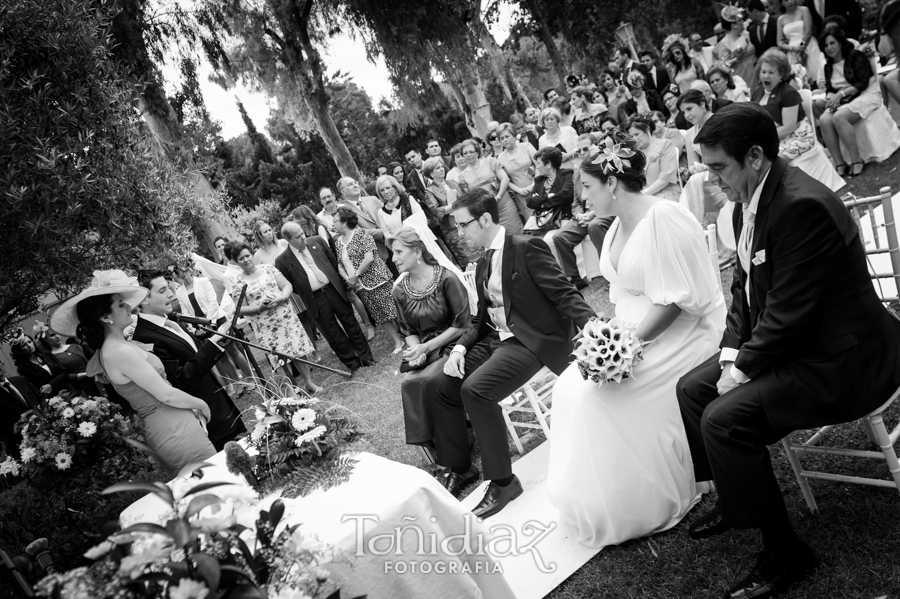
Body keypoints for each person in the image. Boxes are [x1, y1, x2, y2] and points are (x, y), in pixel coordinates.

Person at [676, 102, 900, 599]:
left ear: (755, 156)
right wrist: (733, 356)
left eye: (719, 168)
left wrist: (742, 372)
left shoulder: (801, 205)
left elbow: (790, 313)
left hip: (842, 359)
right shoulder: (748, 202)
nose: (714, 182)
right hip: (795, 345)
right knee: (691, 388)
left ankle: (785, 553)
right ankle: (735, 500)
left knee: (722, 418)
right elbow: (743, 292)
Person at [547, 138, 726, 548]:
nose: (581, 197)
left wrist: (629, 343)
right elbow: (624, 290)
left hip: (677, 335)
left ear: (611, 183)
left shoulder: (664, 217)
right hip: (629, 333)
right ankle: (598, 499)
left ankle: (644, 496)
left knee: (596, 398)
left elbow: (678, 301)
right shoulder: (612, 228)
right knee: (568, 386)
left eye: (586, 188)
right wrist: (609, 338)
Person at [423, 189, 596, 517]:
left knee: (475, 390)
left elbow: (564, 294)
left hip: (537, 340)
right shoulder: (481, 264)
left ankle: (503, 483)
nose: (459, 233)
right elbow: (479, 321)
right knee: (444, 383)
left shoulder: (526, 246)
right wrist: (459, 348)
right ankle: (458, 464)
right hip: (504, 341)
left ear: (485, 219)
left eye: (463, 225)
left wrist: (597, 332)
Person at [51, 271, 217, 477]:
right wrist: (200, 404)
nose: (128, 306)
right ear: (105, 317)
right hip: (174, 430)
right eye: (120, 305)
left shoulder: (117, 347)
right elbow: (166, 394)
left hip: (173, 425)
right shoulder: (119, 351)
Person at [134, 270, 247, 450]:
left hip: (221, 406)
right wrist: (212, 344)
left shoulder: (170, 320)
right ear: (144, 299)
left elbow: (192, 354)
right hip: (205, 418)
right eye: (162, 291)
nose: (171, 294)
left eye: (169, 288)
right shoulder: (145, 337)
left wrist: (217, 341)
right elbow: (181, 377)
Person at [390, 227, 472, 461]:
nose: (394, 259)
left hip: (454, 343)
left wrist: (428, 347)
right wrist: (417, 351)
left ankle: (457, 444)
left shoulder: (446, 278)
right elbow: (408, 330)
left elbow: (463, 324)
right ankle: (436, 449)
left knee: (427, 380)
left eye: (398, 252)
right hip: (426, 349)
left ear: (417, 251)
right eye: (393, 253)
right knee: (409, 383)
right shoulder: (399, 290)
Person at [276, 222, 374, 373]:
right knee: (332, 332)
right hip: (315, 298)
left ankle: (366, 357)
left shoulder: (317, 241)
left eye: (302, 233)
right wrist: (309, 289)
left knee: (351, 323)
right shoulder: (282, 261)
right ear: (288, 239)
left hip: (334, 290)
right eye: (298, 236)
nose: (303, 237)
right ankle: (353, 364)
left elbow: (333, 262)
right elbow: (291, 285)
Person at [226, 243, 322, 393]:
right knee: (279, 357)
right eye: (240, 258)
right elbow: (240, 309)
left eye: (247, 255)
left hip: (285, 316)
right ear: (236, 262)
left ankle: (309, 383)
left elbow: (286, 285)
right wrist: (259, 308)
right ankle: (292, 390)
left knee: (298, 349)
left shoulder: (268, 269)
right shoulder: (237, 283)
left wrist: (282, 297)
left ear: (251, 255)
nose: (245, 260)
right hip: (264, 325)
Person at [333, 207, 405, 353]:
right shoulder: (338, 242)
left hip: (378, 279)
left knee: (394, 309)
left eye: (335, 221)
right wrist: (348, 279)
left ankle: (411, 334)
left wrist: (356, 275)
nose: (333, 224)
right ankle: (398, 342)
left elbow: (369, 257)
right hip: (360, 286)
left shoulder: (362, 234)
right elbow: (340, 265)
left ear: (345, 222)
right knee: (379, 315)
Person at [171, 266, 252, 393]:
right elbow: (185, 312)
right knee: (220, 356)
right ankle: (239, 384)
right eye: (181, 271)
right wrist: (194, 328)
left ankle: (251, 379)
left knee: (232, 350)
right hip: (200, 326)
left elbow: (213, 302)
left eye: (186, 270)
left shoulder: (203, 281)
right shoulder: (180, 292)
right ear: (178, 274)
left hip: (217, 320)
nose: (185, 273)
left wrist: (209, 322)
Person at [815, 25, 879, 177]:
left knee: (839, 117)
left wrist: (840, 94)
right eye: (826, 45)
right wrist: (831, 98)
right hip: (843, 100)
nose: (829, 48)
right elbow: (830, 88)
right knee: (824, 119)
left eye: (832, 43)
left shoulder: (855, 56)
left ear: (840, 42)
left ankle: (857, 161)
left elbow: (862, 82)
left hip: (865, 93)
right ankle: (840, 163)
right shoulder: (828, 66)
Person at [753, 49, 817, 161]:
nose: (766, 76)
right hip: (772, 138)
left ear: (781, 74)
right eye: (763, 72)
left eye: (771, 72)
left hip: (797, 137)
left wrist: (762, 139)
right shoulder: (757, 92)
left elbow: (788, 127)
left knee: (770, 160)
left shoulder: (788, 92)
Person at [459, 138, 524, 235]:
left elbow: (505, 179)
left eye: (471, 151)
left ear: (477, 152)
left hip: (504, 206)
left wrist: (498, 197)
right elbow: (468, 198)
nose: (468, 155)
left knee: (517, 233)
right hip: (487, 213)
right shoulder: (462, 176)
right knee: (501, 240)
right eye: (465, 153)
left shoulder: (491, 162)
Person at [424, 156, 480, 267]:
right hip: (452, 230)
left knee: (480, 254)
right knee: (469, 262)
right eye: (437, 168)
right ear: (431, 174)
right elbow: (437, 212)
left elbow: (467, 198)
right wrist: (455, 205)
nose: (441, 169)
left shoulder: (452, 182)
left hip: (468, 223)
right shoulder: (429, 191)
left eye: (441, 166)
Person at [33, 323, 98, 396]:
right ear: (45, 340)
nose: (57, 336)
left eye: (57, 333)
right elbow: (63, 376)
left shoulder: (75, 346)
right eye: (52, 335)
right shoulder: (50, 357)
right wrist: (87, 374)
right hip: (78, 389)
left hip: (96, 380)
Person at [628, 117, 681, 201]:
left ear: (647, 129)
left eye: (637, 134)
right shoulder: (635, 153)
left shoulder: (665, 145)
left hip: (665, 193)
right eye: (631, 136)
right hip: (645, 195)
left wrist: (645, 193)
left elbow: (666, 178)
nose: (634, 139)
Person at [525, 147, 575, 236]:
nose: (537, 167)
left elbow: (566, 194)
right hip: (542, 221)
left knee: (550, 239)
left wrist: (542, 203)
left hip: (562, 217)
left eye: (538, 163)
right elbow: (529, 202)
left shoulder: (567, 174)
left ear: (548, 164)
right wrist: (546, 197)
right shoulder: (539, 180)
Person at [496, 122, 538, 224]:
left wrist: (534, 185)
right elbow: (505, 180)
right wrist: (519, 190)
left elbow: (540, 165)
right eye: (502, 138)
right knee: (532, 223)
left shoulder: (527, 146)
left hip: (537, 186)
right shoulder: (500, 158)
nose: (505, 140)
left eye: (507, 136)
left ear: (514, 135)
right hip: (521, 194)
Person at [777, 0, 824, 82]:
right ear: (781, 3)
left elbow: (808, 32)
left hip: (808, 45)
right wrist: (793, 48)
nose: (790, 2)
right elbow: (779, 42)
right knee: (799, 80)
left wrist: (801, 47)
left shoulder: (804, 10)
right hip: (792, 52)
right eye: (786, 0)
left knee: (817, 75)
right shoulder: (780, 19)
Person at [0, 363, 40, 459]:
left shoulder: (21, 380)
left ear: (2, 365)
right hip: (25, 442)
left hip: (46, 425)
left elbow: (40, 398)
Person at [717, 6, 759, 90]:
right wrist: (736, 57)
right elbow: (723, 66)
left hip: (757, 74)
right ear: (734, 25)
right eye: (740, 20)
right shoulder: (724, 44)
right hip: (743, 79)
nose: (743, 21)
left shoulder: (746, 34)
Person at [538, 107, 579, 171]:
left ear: (557, 120)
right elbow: (545, 161)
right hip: (560, 174)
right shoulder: (542, 140)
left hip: (578, 167)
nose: (549, 122)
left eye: (552, 119)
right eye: (547, 120)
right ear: (543, 123)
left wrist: (568, 156)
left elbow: (581, 149)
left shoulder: (569, 130)